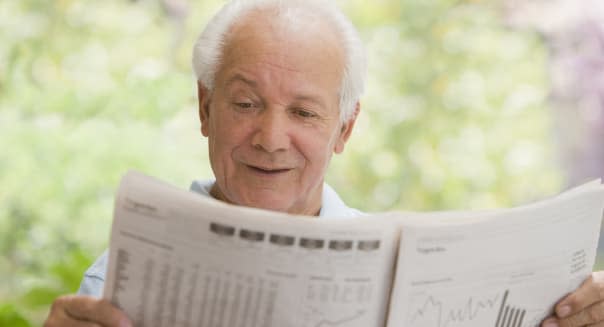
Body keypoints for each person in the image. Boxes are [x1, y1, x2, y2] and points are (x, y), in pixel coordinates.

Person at [44, 1, 604, 326]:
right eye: (245, 104)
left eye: (305, 112)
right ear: (205, 108)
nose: (270, 138)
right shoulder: (121, 277)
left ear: (345, 129)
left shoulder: (404, 271)